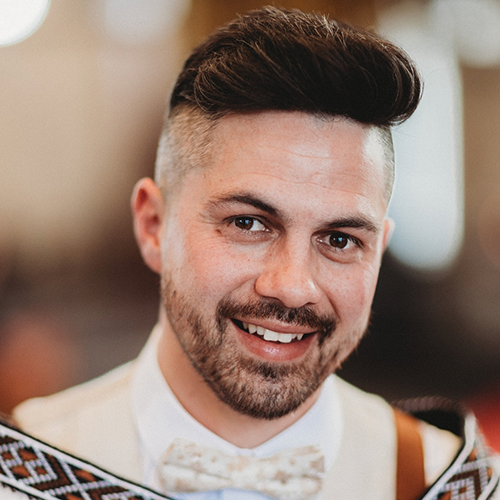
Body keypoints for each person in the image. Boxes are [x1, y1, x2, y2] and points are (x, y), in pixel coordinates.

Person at [7, 6, 499, 500]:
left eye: (341, 240)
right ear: (153, 226)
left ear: (378, 252)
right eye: (248, 223)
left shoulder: (449, 483)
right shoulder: (21, 472)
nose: (292, 285)